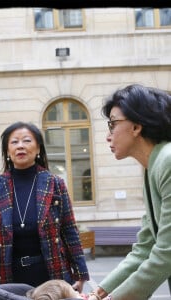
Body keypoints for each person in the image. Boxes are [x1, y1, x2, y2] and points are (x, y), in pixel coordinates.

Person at [0, 121, 89, 291]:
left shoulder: (54, 184)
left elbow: (69, 230)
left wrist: (80, 274)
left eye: (27, 141)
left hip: (53, 272)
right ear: (7, 151)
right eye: (14, 142)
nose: (20, 146)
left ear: (38, 149)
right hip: (11, 274)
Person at [88, 84, 171, 300]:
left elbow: (166, 252)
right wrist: (100, 291)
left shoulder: (167, 161)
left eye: (113, 124)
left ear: (136, 127)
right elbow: (145, 246)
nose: (108, 136)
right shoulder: (153, 166)